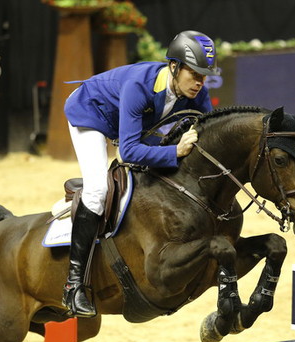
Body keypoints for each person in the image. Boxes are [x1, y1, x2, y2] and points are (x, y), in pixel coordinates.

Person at [61, 30, 220, 317]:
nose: (199, 82)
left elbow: (208, 136)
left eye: (204, 75)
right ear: (174, 67)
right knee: (97, 190)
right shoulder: (140, 86)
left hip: (132, 125)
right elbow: (130, 152)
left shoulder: (198, 93)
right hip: (91, 114)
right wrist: (175, 152)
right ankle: (74, 286)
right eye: (194, 73)